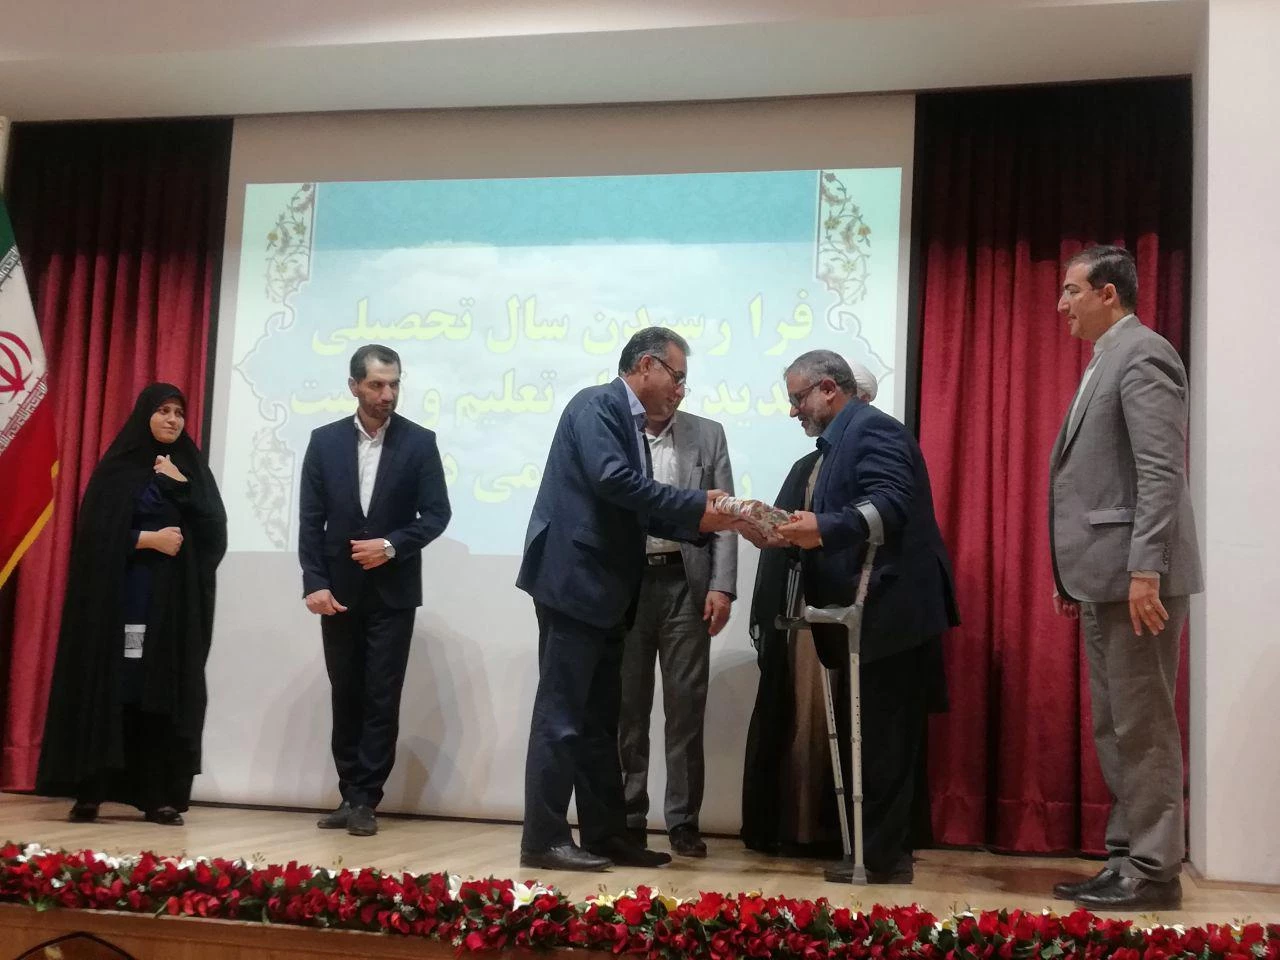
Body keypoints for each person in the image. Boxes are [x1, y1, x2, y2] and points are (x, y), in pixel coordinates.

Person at [517, 327, 736, 872]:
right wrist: (695, 506)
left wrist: (705, 523)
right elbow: (612, 481)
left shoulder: (629, 422)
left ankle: (606, 835)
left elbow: (633, 509)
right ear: (645, 366)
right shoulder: (597, 405)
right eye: (677, 376)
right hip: (574, 585)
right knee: (561, 718)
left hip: (609, 593)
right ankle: (542, 839)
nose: (681, 389)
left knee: (599, 725)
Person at [741, 350, 958, 883]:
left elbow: (890, 504)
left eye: (798, 398)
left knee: (885, 738)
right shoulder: (839, 440)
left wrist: (822, 528)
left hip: (893, 609)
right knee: (875, 736)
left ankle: (881, 860)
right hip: (870, 611)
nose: (793, 410)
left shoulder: (873, 429)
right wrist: (780, 533)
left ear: (828, 389)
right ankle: (875, 854)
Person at [1048, 245, 1202, 910]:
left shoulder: (1143, 353)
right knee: (1115, 727)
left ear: (1108, 293)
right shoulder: (1105, 358)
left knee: (1144, 726)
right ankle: (1125, 859)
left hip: (1138, 581)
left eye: (1072, 291)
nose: (1062, 305)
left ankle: (1155, 871)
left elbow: (1160, 470)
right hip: (1103, 578)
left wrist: (1146, 568)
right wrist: (1074, 574)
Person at [36, 383, 227, 825]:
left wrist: (180, 487)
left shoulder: (190, 470)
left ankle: (157, 795)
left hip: (169, 607)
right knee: (112, 687)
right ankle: (92, 791)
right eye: (163, 411)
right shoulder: (117, 469)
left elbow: (214, 533)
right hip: (118, 601)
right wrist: (146, 539)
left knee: (156, 694)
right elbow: (92, 538)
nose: (172, 420)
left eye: (179, 412)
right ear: (145, 415)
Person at [299, 344, 451, 838]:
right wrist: (314, 582)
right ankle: (348, 793)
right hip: (338, 592)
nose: (388, 394)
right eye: (377, 385)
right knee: (346, 692)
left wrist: (391, 545)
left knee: (382, 696)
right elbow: (310, 520)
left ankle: (367, 798)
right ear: (354, 387)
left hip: (393, 592)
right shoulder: (324, 442)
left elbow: (437, 514)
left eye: (394, 384)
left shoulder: (419, 442)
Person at [617, 401, 737, 859]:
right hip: (628, 583)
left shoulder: (708, 433)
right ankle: (628, 818)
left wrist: (722, 586)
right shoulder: (617, 431)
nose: (678, 390)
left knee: (685, 707)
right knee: (627, 707)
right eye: (674, 377)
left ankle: (683, 821)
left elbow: (726, 516)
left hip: (686, 584)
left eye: (684, 381)